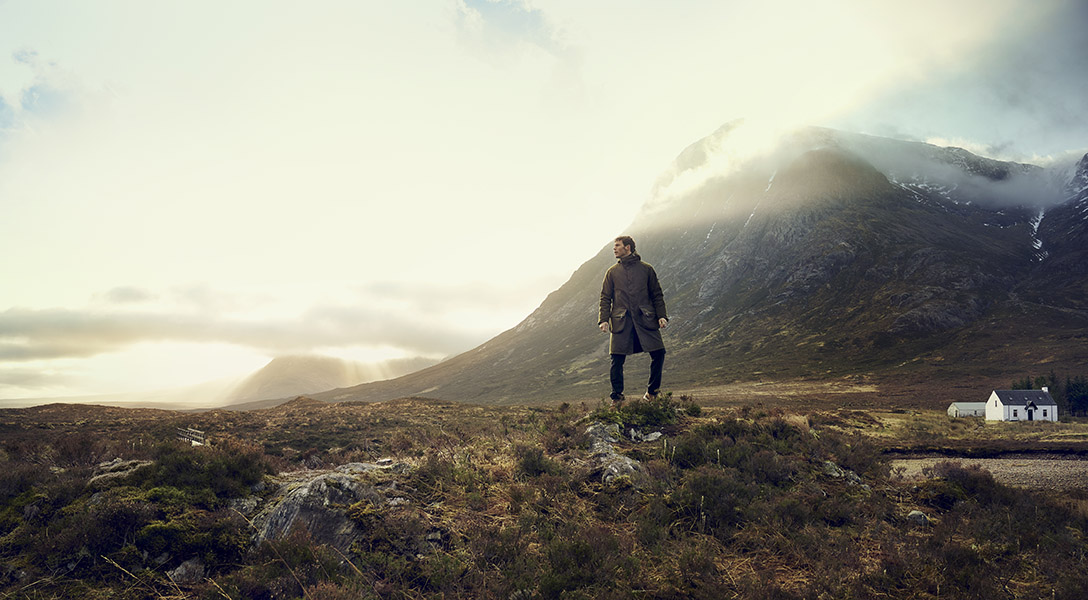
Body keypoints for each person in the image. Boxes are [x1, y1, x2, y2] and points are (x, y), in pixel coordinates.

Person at [598, 235, 669, 405]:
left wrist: (662, 316)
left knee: (659, 353)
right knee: (616, 359)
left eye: (617, 246)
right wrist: (603, 319)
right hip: (621, 322)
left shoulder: (647, 270)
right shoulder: (612, 272)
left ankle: (652, 393)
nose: (614, 249)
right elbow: (605, 297)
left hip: (646, 320)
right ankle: (617, 397)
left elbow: (656, 295)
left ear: (627, 247)